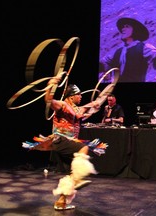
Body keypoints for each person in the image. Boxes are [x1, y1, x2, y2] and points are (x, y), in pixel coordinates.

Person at [45, 74, 101, 210]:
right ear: (71, 96)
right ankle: (79, 178)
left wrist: (95, 105)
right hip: (61, 140)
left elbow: (86, 111)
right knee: (83, 149)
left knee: (71, 174)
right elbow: (48, 99)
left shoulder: (76, 109)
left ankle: (61, 202)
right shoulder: (62, 105)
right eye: (79, 94)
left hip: (68, 141)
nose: (81, 97)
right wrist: (52, 83)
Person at [99, 17, 156, 82]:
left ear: (135, 30)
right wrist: (106, 73)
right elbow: (103, 65)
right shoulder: (117, 51)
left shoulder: (144, 48)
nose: (123, 29)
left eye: (127, 26)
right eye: (122, 27)